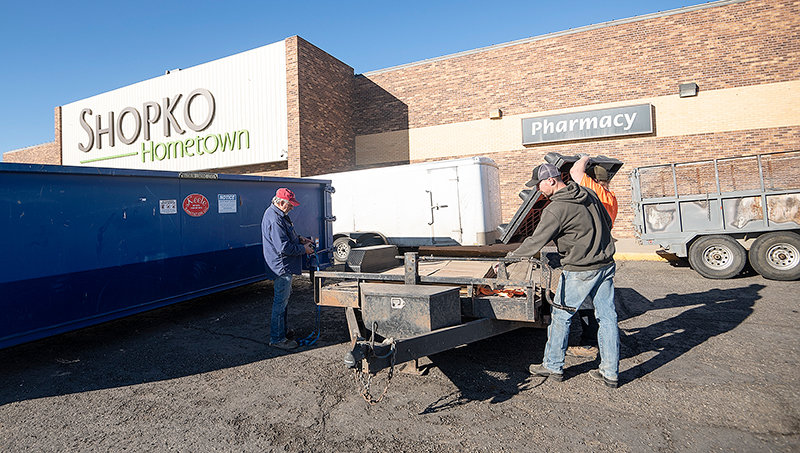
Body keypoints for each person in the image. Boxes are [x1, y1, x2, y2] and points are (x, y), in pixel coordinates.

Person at [509, 162, 619, 388]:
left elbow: (536, 242)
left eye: (539, 184)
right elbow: (607, 222)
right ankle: (610, 372)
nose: (537, 189)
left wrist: (511, 256)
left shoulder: (556, 209)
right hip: (605, 264)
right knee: (607, 318)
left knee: (561, 317)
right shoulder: (587, 192)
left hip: (580, 269)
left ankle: (553, 365)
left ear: (551, 180)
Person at [565, 155, 619, 359]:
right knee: (603, 305)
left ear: (594, 180)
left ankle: (589, 344)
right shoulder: (610, 197)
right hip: (605, 253)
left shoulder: (594, 190)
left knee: (586, 301)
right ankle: (606, 346)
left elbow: (575, 172)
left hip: (590, 254)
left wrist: (584, 158)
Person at [261, 188, 314, 350]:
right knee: (280, 303)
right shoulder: (275, 219)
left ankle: (281, 332)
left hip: (281, 265)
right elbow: (283, 247)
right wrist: (303, 250)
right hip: (282, 266)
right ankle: (277, 338)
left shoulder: (276, 214)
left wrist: (299, 239)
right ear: (281, 202)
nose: (292, 208)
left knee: (282, 302)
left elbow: (285, 237)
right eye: (290, 205)